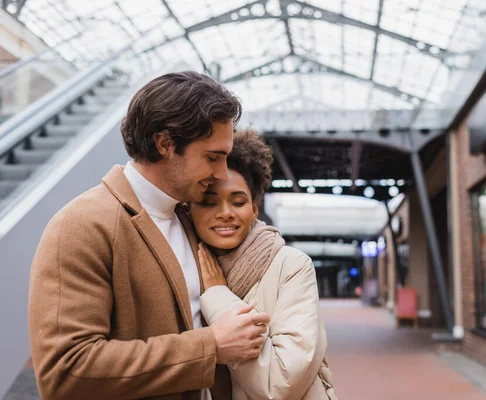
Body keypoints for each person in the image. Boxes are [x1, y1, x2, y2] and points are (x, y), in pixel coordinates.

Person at [28, 71, 270, 400]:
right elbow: (66, 370)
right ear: (165, 144)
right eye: (212, 157)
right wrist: (210, 347)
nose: (221, 173)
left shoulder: (191, 217)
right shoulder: (83, 225)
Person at [189, 130, 337, 400]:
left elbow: (282, 383)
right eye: (209, 202)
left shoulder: (291, 265)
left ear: (254, 209)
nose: (225, 212)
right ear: (189, 209)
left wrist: (218, 296)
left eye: (238, 201)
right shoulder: (184, 263)